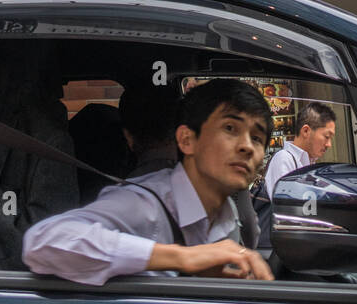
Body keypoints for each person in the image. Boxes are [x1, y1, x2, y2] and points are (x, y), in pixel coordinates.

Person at [23, 78, 274, 284]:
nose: (247, 147)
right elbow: (43, 242)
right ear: (186, 140)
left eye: (257, 138)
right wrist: (181, 257)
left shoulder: (226, 212)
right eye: (230, 129)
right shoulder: (145, 204)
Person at [263, 101, 337, 199]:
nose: (329, 145)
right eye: (326, 136)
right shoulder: (284, 159)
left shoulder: (310, 164)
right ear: (306, 131)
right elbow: (287, 205)